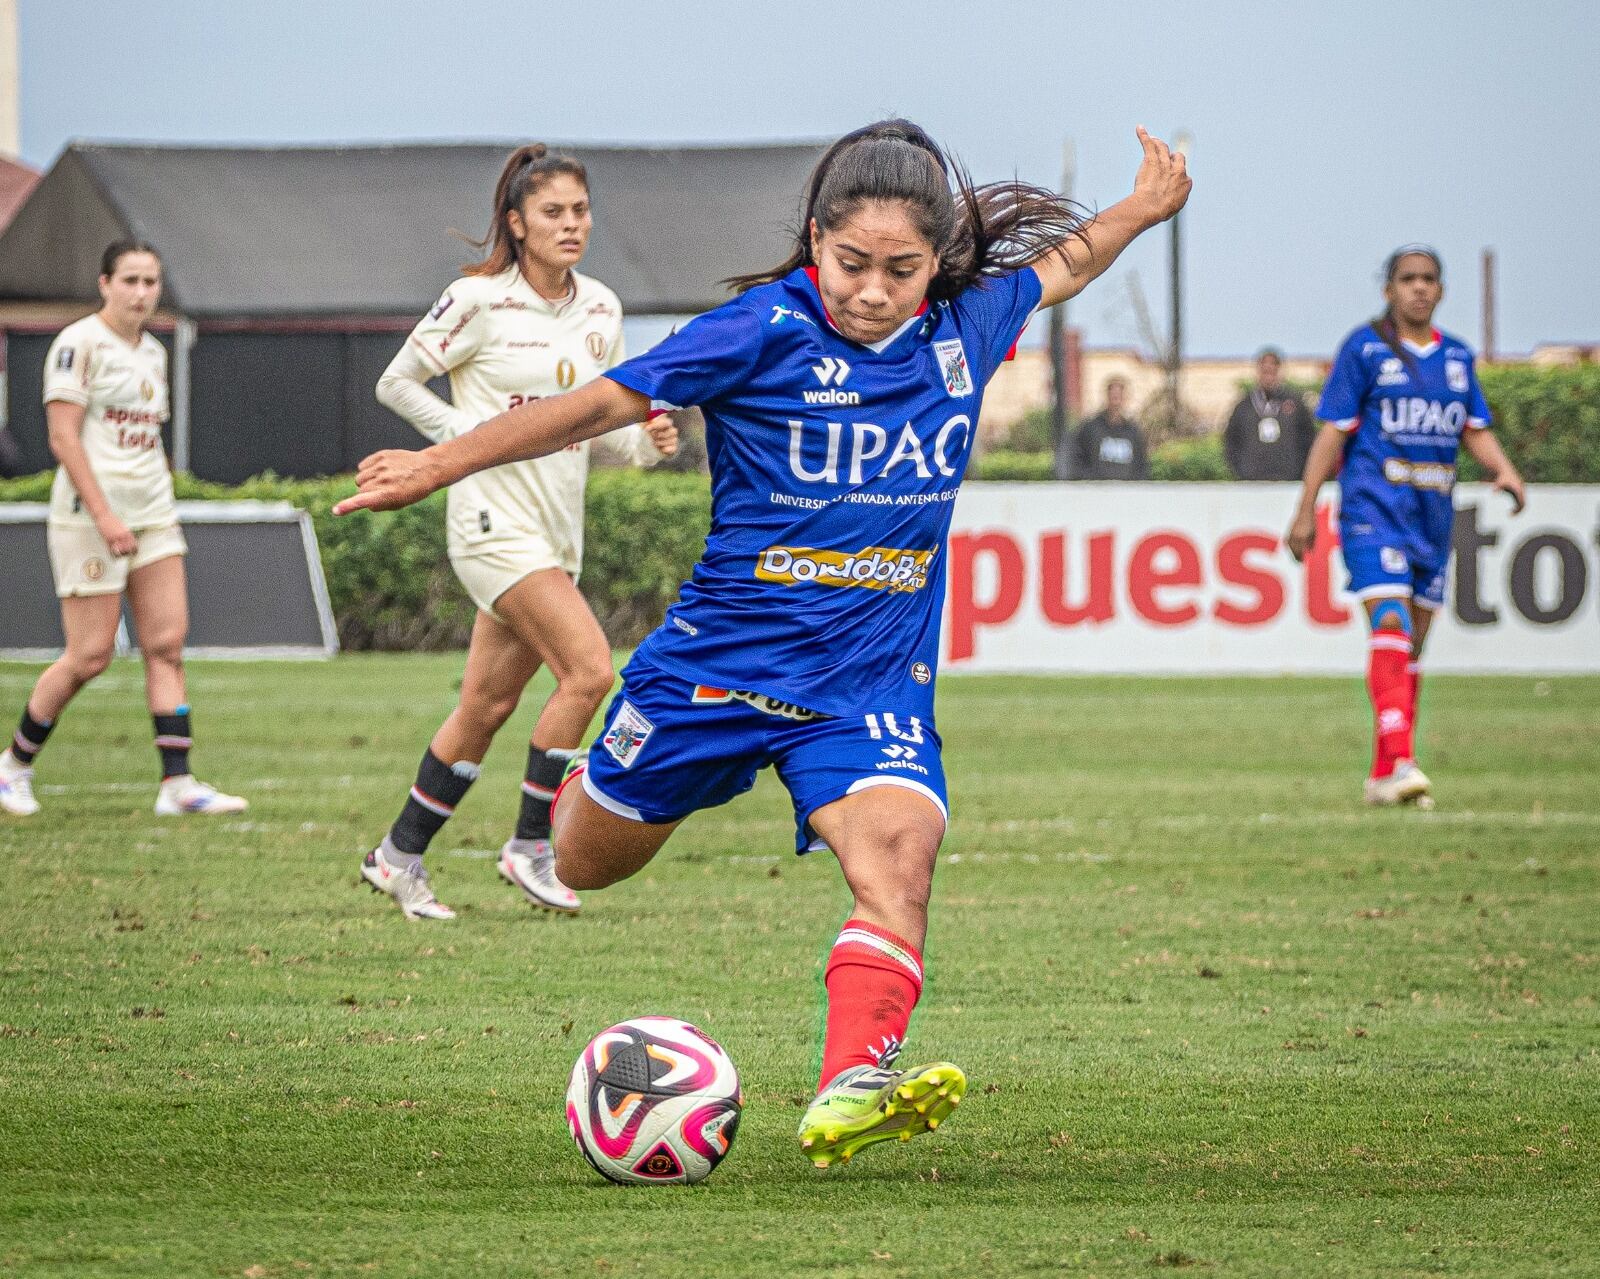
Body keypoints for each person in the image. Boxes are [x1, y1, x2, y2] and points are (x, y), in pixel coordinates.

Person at [336, 120, 1190, 1167]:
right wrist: (439, 463)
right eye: (852, 263)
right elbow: (594, 405)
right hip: (715, 673)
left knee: (901, 857)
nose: (873, 291)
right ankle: (596, 775)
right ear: (816, 240)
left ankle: (852, 1082)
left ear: (937, 264)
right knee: (583, 859)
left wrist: (1142, 208)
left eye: (902, 271)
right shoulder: (757, 330)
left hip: (866, 685)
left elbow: (1068, 263)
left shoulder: (967, 326)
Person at [358, 144, 678, 920]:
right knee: (589, 671)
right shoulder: (477, 300)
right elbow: (395, 382)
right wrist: (468, 443)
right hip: (490, 523)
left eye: (581, 210)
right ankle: (532, 845)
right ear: (516, 223)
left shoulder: (601, 308)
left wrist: (646, 442)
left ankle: (396, 856)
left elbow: (602, 426)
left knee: (485, 707)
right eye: (552, 212)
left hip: (556, 533)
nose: (572, 224)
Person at [0, 241, 246, 818]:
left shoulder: (154, 353)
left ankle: (178, 786)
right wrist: (106, 516)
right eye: (130, 280)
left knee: (167, 646)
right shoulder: (79, 344)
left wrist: (159, 494)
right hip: (90, 518)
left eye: (150, 282)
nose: (141, 293)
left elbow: (146, 438)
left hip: (153, 516)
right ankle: (12, 767)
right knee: (89, 655)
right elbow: (63, 438)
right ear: (105, 284)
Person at [1287, 246, 1525, 806]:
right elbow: (1332, 431)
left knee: (1412, 645)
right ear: (1388, 289)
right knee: (1389, 621)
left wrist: (1505, 469)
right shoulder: (1364, 348)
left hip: (1431, 518)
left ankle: (1382, 775)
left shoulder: (1458, 357)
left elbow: (1474, 428)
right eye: (1407, 278)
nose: (1419, 287)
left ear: (1440, 290)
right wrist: (1305, 508)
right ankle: (1401, 761)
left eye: (1428, 279)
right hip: (1372, 510)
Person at [1224, 347, 1315, 480]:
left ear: (1279, 371)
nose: (1268, 376)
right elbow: (1231, 441)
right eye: (1265, 371)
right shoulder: (1244, 407)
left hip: (1288, 479)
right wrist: (1242, 471)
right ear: (1258, 371)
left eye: (1272, 371)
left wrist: (1298, 469)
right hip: (1252, 479)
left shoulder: (1295, 404)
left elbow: (1308, 438)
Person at [1071, 376, 1149, 479]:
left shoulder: (1133, 432)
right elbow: (1077, 457)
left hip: (1126, 487)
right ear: (1107, 395)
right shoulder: (1091, 428)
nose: (1116, 398)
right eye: (1113, 393)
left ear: (1125, 398)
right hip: (1097, 487)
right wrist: (1087, 478)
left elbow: (1141, 464)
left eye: (1119, 394)